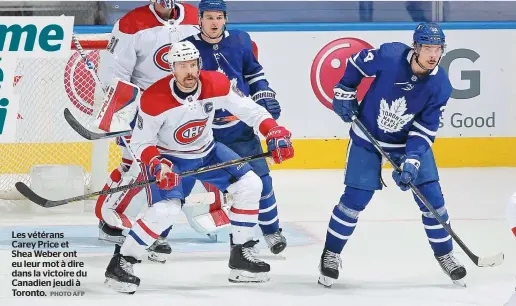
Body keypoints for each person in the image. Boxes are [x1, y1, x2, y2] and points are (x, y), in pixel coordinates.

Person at [103, 41, 294, 293]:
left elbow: (250, 111)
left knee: (251, 184)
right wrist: (158, 164)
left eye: (192, 64)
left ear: (199, 64)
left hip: (208, 152)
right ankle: (121, 263)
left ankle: (241, 256)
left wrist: (274, 131)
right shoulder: (153, 99)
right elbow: (141, 142)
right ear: (172, 69)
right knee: (166, 212)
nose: (188, 71)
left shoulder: (217, 83)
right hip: (169, 160)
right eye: (182, 66)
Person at [318, 22, 467, 288]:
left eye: (438, 49)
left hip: (405, 144)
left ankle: (446, 255)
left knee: (433, 199)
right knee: (354, 199)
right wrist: (344, 91)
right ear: (416, 47)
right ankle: (330, 254)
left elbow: (424, 129)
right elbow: (355, 63)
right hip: (367, 138)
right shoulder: (390, 56)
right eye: (428, 48)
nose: (434, 55)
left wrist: (411, 161)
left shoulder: (440, 85)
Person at [94, 0, 204, 264]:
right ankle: (117, 223)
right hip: (144, 112)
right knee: (136, 168)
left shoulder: (193, 15)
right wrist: (129, 107)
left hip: (180, 113)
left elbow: (205, 60)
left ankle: (148, 230)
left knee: (166, 169)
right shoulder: (132, 23)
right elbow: (113, 72)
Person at [182, 0, 287, 255]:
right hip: (203, 134)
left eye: (219, 17)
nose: (214, 22)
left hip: (238, 130)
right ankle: (158, 236)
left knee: (261, 181)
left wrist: (264, 94)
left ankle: (271, 231)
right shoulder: (188, 48)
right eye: (209, 17)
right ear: (200, 19)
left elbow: (254, 74)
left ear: (225, 19)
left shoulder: (240, 40)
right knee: (178, 188)